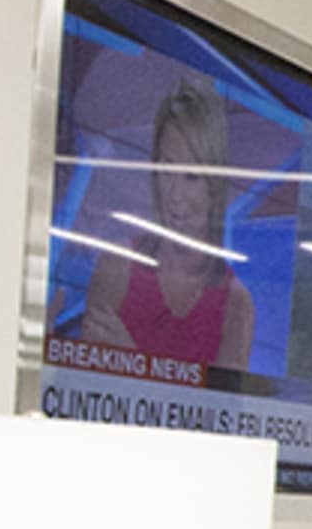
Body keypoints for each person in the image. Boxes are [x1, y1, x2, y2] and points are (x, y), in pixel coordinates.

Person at [79, 75, 257, 373]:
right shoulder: (116, 268)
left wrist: (133, 361)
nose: (174, 194)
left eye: (191, 177)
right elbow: (82, 396)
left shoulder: (236, 306)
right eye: (167, 170)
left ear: (215, 187)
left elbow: (217, 417)